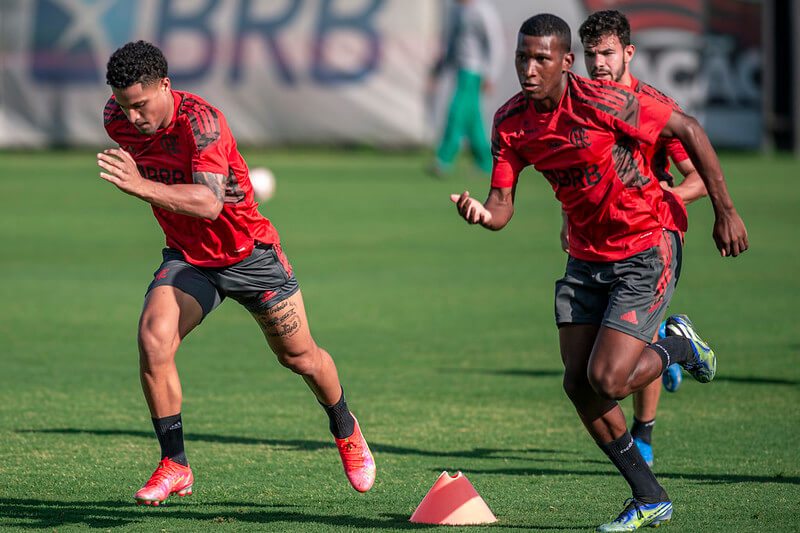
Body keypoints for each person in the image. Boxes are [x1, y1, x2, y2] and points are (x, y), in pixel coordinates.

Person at [450, 13, 747, 532]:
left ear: (567, 63)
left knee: (606, 377)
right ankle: (649, 496)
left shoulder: (606, 102)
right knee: (580, 385)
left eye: (542, 58)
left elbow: (690, 129)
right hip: (586, 258)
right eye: (523, 57)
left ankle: (678, 343)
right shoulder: (510, 122)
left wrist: (725, 211)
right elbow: (502, 205)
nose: (529, 68)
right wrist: (482, 214)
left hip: (645, 246)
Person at [97, 41, 375, 506]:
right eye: (125, 107)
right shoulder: (117, 116)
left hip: (250, 255)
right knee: (153, 339)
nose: (133, 117)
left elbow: (208, 204)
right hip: (189, 257)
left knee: (300, 357)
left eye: (141, 105)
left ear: (166, 86)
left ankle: (345, 428)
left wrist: (140, 185)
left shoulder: (202, 124)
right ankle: (175, 464)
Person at [557, 9, 710, 467]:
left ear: (629, 53)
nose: (598, 63)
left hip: (651, 240)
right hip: (600, 242)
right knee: (618, 351)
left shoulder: (655, 109)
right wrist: (569, 216)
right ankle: (673, 351)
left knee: (630, 346)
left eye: (607, 53)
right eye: (590, 55)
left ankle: (644, 431)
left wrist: (665, 196)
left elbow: (699, 178)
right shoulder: (582, 103)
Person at [428, 0, 504, 176]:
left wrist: (491, 74)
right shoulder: (458, 11)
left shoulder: (482, 11)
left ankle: (444, 159)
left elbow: (495, 44)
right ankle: (485, 162)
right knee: (472, 122)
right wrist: (439, 69)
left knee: (456, 114)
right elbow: (453, 44)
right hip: (461, 71)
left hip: (474, 73)